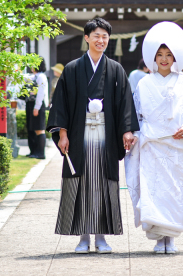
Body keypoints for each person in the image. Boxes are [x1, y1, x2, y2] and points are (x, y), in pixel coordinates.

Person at [46, 17, 139, 254]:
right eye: (96, 36)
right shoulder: (73, 69)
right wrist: (63, 134)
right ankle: (83, 237)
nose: (101, 40)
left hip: (106, 136)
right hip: (79, 134)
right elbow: (62, 104)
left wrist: (127, 130)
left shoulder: (116, 69)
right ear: (86, 38)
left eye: (105, 36)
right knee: (81, 182)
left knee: (103, 184)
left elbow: (125, 103)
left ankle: (102, 237)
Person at [125, 22, 183, 254]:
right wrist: (133, 134)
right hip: (151, 145)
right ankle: (160, 238)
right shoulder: (144, 83)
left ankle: (172, 237)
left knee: (174, 190)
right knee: (154, 190)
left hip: (176, 145)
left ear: (176, 57)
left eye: (169, 54)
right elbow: (136, 112)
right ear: (153, 57)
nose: (164, 59)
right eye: (159, 54)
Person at [27, 60, 49, 159]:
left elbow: (41, 94)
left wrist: (37, 108)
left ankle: (41, 153)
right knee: (34, 129)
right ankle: (35, 152)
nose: (31, 67)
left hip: (39, 105)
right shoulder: (35, 76)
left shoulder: (41, 77)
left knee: (40, 130)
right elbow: (26, 78)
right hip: (35, 105)